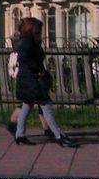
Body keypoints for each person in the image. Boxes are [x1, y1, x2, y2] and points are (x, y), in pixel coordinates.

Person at [13, 17, 77, 147]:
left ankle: (20, 134)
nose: (41, 33)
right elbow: (24, 59)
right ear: (33, 29)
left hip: (26, 78)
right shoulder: (27, 42)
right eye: (39, 30)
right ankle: (59, 135)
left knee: (27, 105)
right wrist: (38, 70)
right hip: (31, 79)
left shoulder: (28, 41)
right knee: (46, 105)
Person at [5, 31, 52, 139]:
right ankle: (14, 125)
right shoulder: (23, 54)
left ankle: (46, 128)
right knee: (36, 102)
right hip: (29, 79)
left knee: (30, 103)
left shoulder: (14, 55)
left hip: (24, 79)